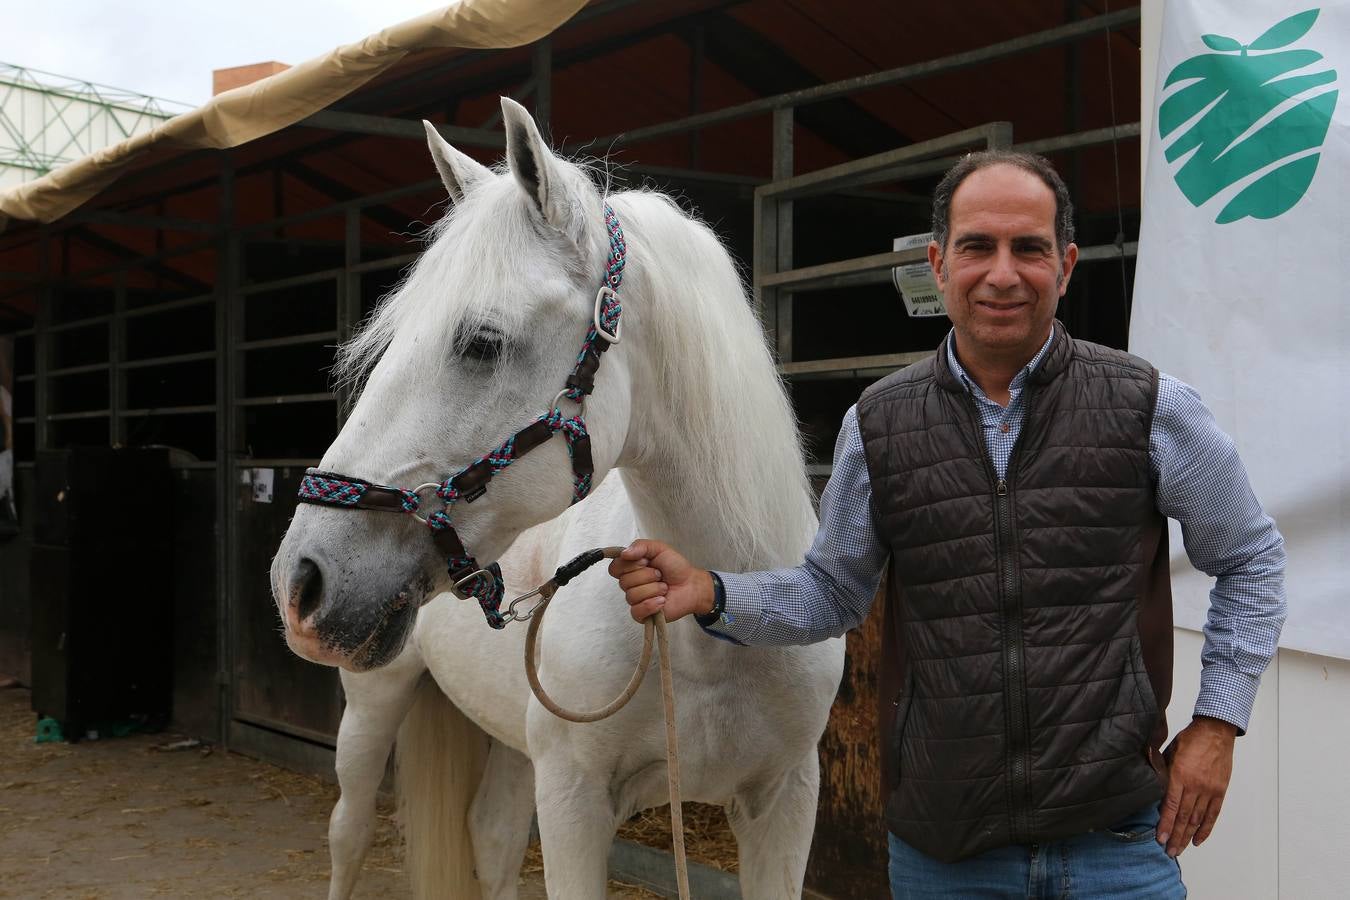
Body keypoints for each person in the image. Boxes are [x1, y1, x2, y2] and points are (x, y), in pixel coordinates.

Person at [608, 151, 1286, 898]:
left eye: (1028, 248)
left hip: (1114, 843)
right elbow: (831, 595)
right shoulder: (879, 426)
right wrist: (710, 592)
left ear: (1065, 265)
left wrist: (1218, 724)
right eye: (977, 247)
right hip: (947, 857)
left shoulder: (1151, 408)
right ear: (939, 263)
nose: (1002, 273)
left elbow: (1251, 560)